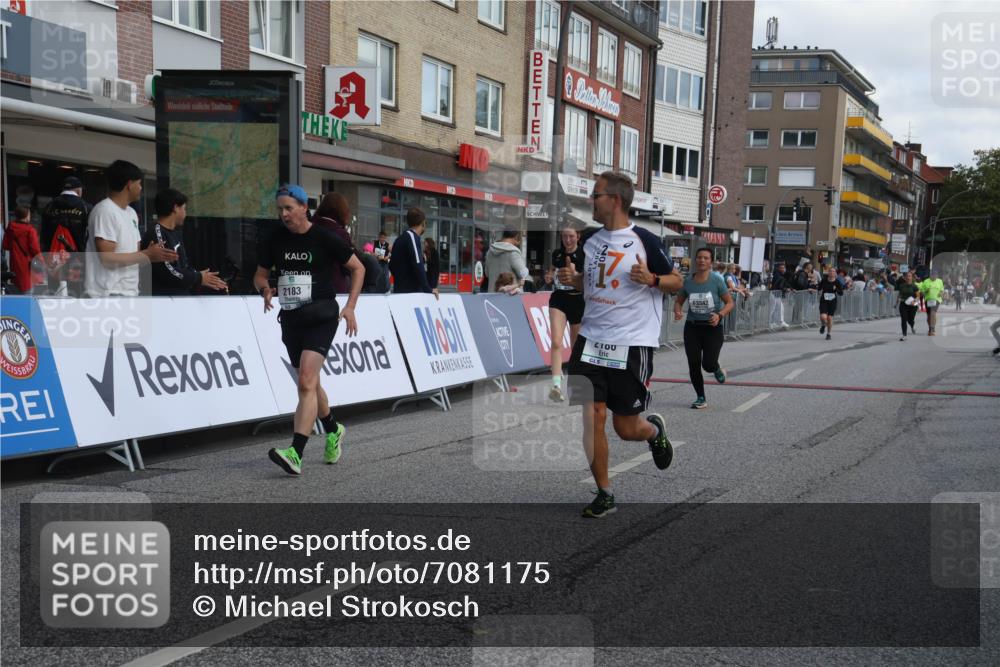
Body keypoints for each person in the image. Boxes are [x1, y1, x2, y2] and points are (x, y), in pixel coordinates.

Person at [557, 171, 681, 519]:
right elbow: (593, 282)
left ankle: (653, 432)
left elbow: (676, 281)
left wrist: (653, 278)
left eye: (595, 195)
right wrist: (575, 279)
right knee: (592, 418)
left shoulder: (644, 239)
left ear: (615, 200)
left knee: (626, 428)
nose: (590, 201)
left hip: (631, 344)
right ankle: (605, 492)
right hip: (591, 342)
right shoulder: (591, 240)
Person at [254, 184, 365, 475]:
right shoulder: (274, 238)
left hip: (321, 316)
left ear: (305, 208)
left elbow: (359, 268)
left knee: (305, 380)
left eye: (289, 208)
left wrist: (350, 306)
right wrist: (265, 288)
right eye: (280, 209)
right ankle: (333, 429)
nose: (284, 214)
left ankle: (295, 452)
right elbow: (260, 275)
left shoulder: (325, 237)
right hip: (291, 319)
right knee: (311, 383)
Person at [83, 160, 177, 297]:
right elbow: (107, 258)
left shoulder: (131, 213)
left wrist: (150, 255)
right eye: (139, 183)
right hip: (107, 293)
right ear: (129, 184)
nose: (141, 188)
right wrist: (147, 254)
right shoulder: (105, 211)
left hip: (129, 293)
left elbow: (135, 254)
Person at [672, 247, 733, 409]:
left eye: (706, 258)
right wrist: (677, 310)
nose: (702, 260)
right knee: (693, 363)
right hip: (692, 328)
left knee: (708, 364)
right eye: (699, 257)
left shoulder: (717, 280)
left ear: (711, 262)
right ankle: (700, 397)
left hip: (713, 328)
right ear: (695, 260)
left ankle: (716, 368)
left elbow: (730, 302)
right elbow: (679, 301)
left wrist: (719, 315)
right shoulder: (688, 282)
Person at [143, 189, 228, 296]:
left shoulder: (175, 233)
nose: (185, 213)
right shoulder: (156, 233)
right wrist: (198, 277)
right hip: (164, 301)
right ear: (175, 208)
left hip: (180, 298)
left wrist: (200, 276)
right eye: (184, 208)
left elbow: (184, 266)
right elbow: (168, 271)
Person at [548, 226, 586, 402]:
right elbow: (551, 272)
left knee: (575, 346)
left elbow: (588, 279)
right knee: (556, 341)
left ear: (578, 237)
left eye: (571, 236)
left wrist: (575, 274)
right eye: (564, 236)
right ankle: (556, 386)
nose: (567, 240)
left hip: (578, 300)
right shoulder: (557, 254)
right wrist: (549, 276)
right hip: (559, 299)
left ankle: (576, 384)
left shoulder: (585, 254)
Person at [389, 208, 437, 297]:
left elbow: (392, 265)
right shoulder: (412, 238)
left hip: (399, 290)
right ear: (423, 223)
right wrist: (428, 289)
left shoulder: (399, 239)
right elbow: (418, 264)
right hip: (412, 292)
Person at [312, 192, 353, 294]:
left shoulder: (309, 226)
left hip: (308, 285)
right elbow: (348, 268)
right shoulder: (340, 233)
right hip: (333, 287)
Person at [41, 175, 91, 255]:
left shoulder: (49, 206)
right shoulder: (86, 207)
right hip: (79, 259)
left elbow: (43, 233)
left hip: (52, 258)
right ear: (78, 190)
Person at [1, 206, 41, 293]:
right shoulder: (30, 230)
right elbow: (35, 249)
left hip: (14, 263)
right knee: (28, 288)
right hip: (27, 264)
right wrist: (42, 260)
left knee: (17, 288)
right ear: (27, 216)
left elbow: (5, 245)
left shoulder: (10, 228)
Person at [817, 266, 844, 341]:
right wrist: (815, 289)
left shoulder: (837, 282)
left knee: (829, 318)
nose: (831, 272)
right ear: (828, 273)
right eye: (830, 271)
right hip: (824, 300)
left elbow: (841, 293)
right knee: (823, 317)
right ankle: (823, 325)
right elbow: (819, 288)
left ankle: (828, 334)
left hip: (832, 301)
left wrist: (836, 289)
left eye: (833, 271)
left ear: (835, 274)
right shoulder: (824, 280)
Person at [917, 271, 945, 336]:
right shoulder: (926, 281)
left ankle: (933, 328)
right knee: (929, 315)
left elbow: (942, 289)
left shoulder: (940, 281)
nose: (934, 277)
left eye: (936, 275)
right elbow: (921, 292)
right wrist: (926, 291)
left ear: (937, 276)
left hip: (936, 299)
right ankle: (930, 328)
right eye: (933, 275)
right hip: (928, 300)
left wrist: (941, 293)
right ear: (930, 275)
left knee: (933, 313)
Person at [896, 271, 919, 341]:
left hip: (912, 305)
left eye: (909, 276)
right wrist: (896, 303)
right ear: (905, 278)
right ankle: (904, 335)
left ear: (912, 277)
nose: (908, 277)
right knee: (903, 319)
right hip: (903, 304)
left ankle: (912, 326)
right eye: (907, 276)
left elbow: (918, 296)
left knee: (910, 319)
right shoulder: (902, 286)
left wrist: (914, 301)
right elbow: (899, 295)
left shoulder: (914, 286)